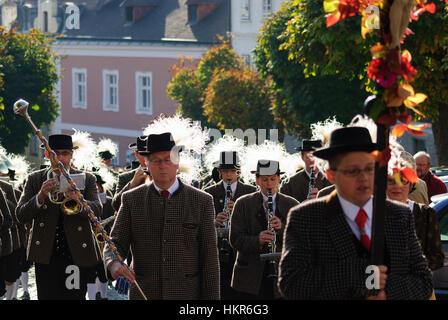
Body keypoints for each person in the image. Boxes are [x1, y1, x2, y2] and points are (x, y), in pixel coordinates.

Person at [279, 126, 433, 300]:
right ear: (331, 175)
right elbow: (291, 284)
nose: (364, 178)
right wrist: (356, 274)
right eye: (353, 171)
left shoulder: (398, 215)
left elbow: (424, 282)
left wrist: (385, 290)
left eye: (369, 169)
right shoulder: (306, 217)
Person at [103, 132, 220, 300]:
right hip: (144, 293)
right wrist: (113, 263)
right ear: (147, 164)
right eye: (156, 161)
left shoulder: (202, 201)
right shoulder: (131, 199)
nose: (163, 166)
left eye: (168, 160)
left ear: (177, 162)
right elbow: (115, 242)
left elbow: (209, 260)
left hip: (187, 296)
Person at [16, 134, 103, 300]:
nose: (61, 158)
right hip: (45, 255)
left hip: (76, 254)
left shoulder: (87, 178)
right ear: (48, 155)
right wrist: (40, 196)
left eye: (65, 153)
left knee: (74, 296)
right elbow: (20, 215)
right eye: (55, 154)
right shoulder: (35, 179)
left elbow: (97, 210)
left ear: (71, 155)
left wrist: (78, 199)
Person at [230, 160, 299, 299]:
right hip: (250, 277)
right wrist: (258, 240)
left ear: (279, 179)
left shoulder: (291, 204)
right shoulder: (243, 203)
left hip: (282, 274)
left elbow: (301, 240)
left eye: (273, 179)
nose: (269, 184)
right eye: (264, 179)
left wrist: (282, 228)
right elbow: (235, 239)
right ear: (257, 180)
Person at [204, 151, 256, 300]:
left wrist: (237, 214)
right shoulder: (209, 193)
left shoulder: (250, 192)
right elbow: (201, 222)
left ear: (238, 171)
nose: (228, 175)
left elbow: (255, 222)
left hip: (241, 251)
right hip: (218, 251)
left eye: (232, 171)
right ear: (219, 172)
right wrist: (214, 221)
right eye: (225, 171)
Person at [386, 151, 444, 271]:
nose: (397, 186)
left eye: (403, 180)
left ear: (410, 184)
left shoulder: (425, 214)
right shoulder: (373, 213)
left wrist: (410, 267)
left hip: (417, 286)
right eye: (391, 181)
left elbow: (437, 258)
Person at [112, 135, 149, 212]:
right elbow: (116, 205)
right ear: (136, 154)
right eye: (143, 154)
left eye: (150, 154)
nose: (147, 157)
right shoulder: (125, 177)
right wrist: (132, 184)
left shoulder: (163, 173)